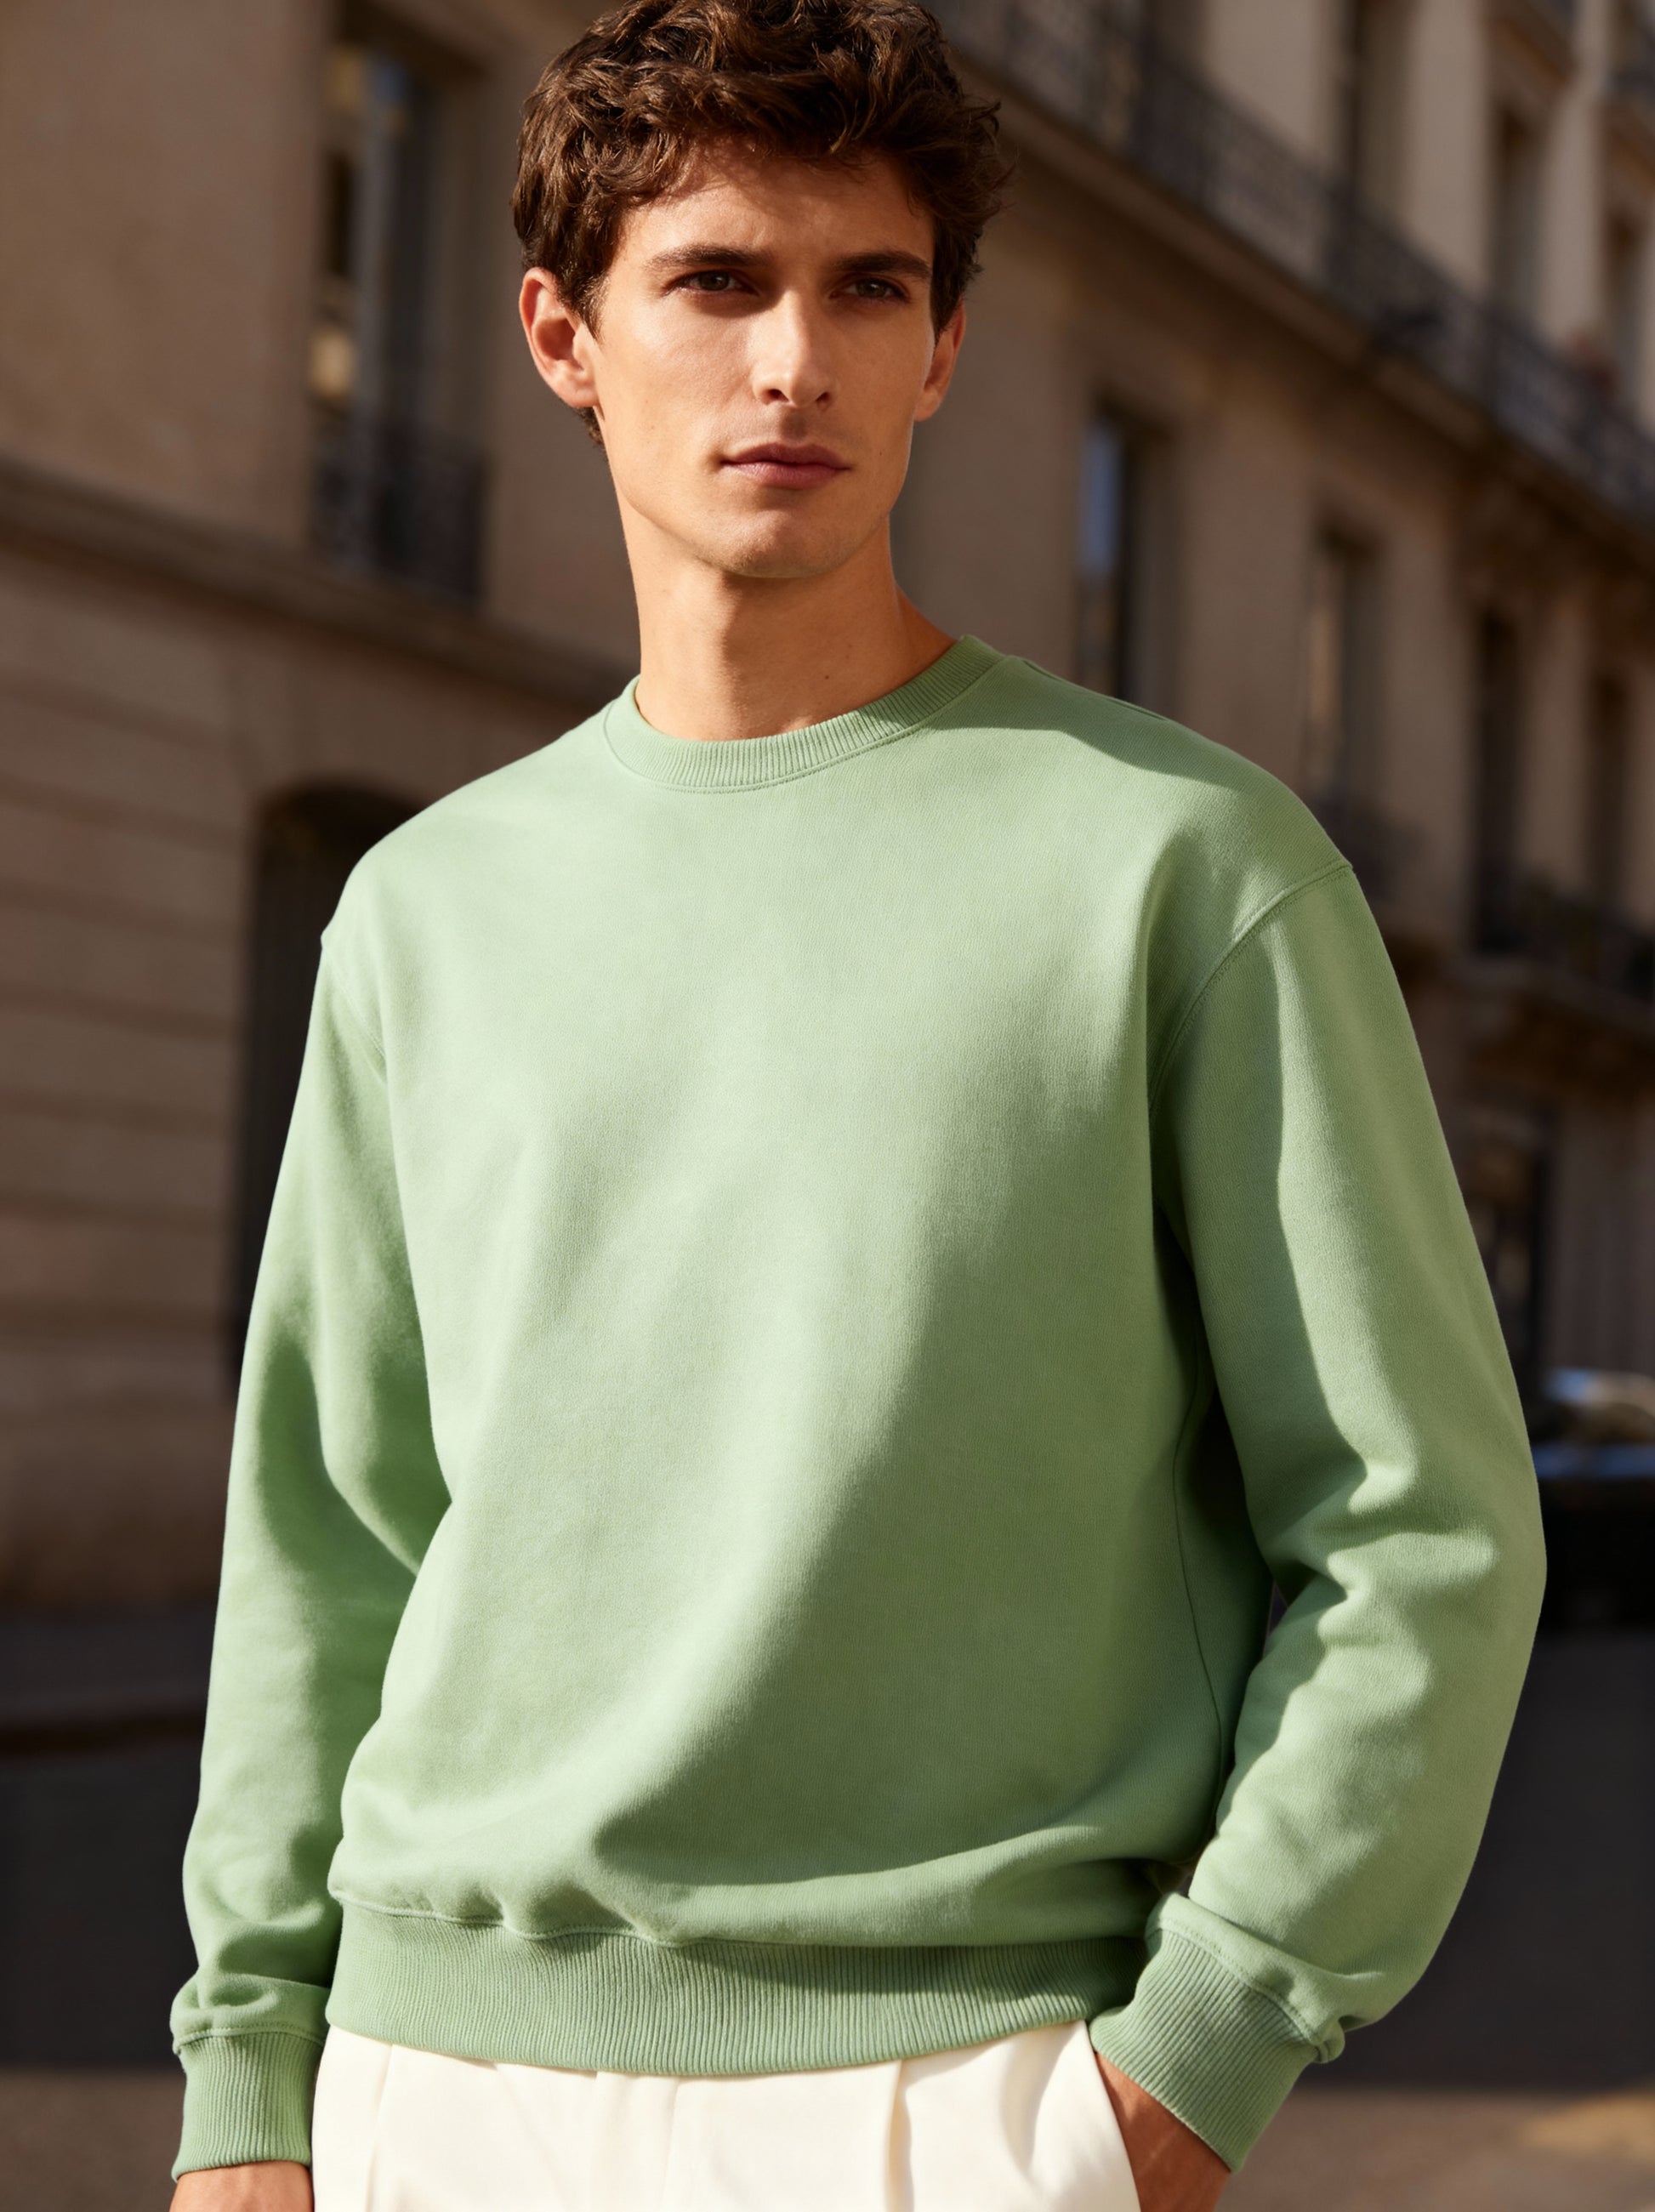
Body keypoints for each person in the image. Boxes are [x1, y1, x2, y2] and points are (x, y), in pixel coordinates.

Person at [167, 3, 1546, 2208]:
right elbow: (326, 1544)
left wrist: (1183, 2065)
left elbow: (1417, 1529)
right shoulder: (422, 911)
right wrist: (249, 2081)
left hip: (961, 2085)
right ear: (562, 334)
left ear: (941, 353)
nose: (793, 359)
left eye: (866, 288)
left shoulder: (1181, 861)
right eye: (716, 281)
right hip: (427, 2077)